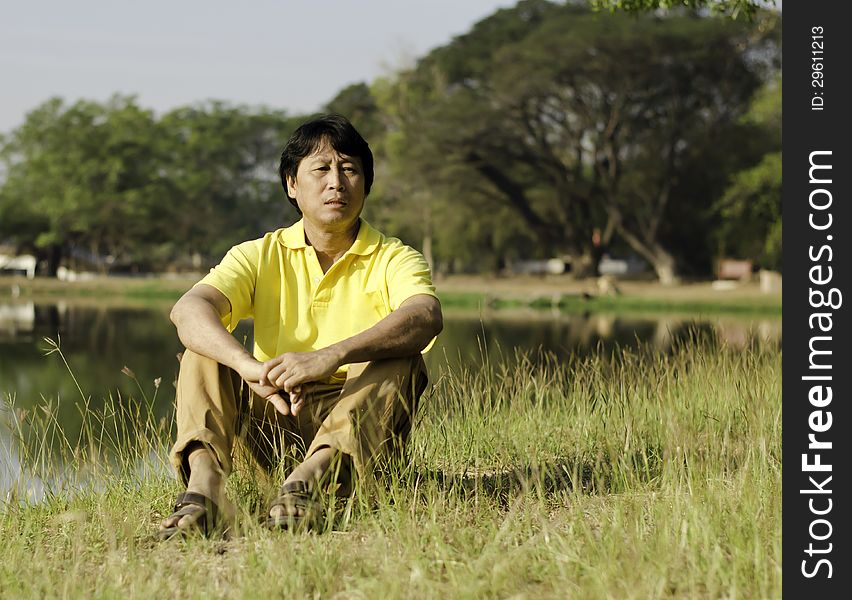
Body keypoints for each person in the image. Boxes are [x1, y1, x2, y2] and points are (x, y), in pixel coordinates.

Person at [158, 114, 443, 538]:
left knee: (400, 354)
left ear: (365, 183)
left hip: (356, 433)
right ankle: (206, 489)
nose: (337, 183)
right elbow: (189, 308)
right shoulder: (260, 253)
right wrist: (247, 366)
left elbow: (424, 316)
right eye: (322, 169)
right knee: (205, 348)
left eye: (349, 169)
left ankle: (308, 482)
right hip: (274, 413)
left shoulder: (394, 257)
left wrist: (331, 356)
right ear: (292, 184)